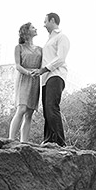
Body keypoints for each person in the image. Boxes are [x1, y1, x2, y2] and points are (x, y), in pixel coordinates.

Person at [32, 12, 70, 146]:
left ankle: (59, 141)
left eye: (45, 22)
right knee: (46, 109)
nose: (43, 25)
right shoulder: (49, 40)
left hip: (56, 75)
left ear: (52, 21)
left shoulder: (61, 37)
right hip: (46, 78)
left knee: (52, 106)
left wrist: (44, 69)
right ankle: (49, 139)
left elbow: (60, 59)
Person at [7, 22, 42, 142]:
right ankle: (10, 140)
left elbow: (43, 65)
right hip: (23, 78)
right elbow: (17, 65)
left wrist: (38, 72)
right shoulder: (19, 47)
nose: (36, 28)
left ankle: (24, 142)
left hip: (35, 80)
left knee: (29, 113)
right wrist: (28, 73)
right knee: (21, 109)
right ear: (26, 31)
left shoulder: (40, 49)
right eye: (33, 27)